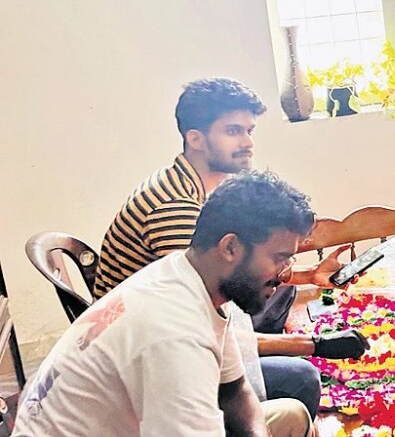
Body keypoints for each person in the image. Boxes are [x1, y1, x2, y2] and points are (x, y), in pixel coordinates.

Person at [15, 171, 369, 436]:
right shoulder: (174, 338)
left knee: (291, 414)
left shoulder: (188, 279)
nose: (284, 273)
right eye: (279, 258)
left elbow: (234, 392)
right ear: (230, 247)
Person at [92, 77, 361, 417]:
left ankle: (271, 360)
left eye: (250, 131)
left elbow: (237, 267)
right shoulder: (176, 209)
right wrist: (315, 345)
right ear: (196, 139)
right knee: (302, 378)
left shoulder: (194, 181)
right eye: (233, 131)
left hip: (177, 320)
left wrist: (308, 275)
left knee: (280, 292)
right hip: (151, 359)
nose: (248, 142)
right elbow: (207, 325)